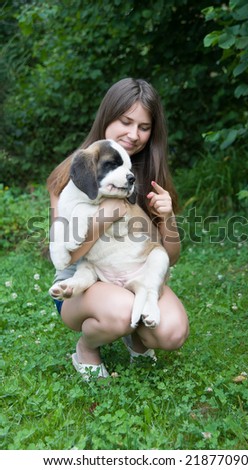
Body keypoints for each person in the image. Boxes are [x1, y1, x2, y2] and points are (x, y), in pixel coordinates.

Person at [47, 77, 189, 379]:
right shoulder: (71, 173)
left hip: (131, 273)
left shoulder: (149, 175)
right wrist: (105, 216)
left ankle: (135, 336)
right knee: (122, 310)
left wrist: (167, 219)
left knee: (173, 332)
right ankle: (87, 348)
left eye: (144, 127)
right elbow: (66, 256)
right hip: (80, 285)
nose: (133, 134)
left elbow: (169, 257)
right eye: (125, 121)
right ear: (107, 117)